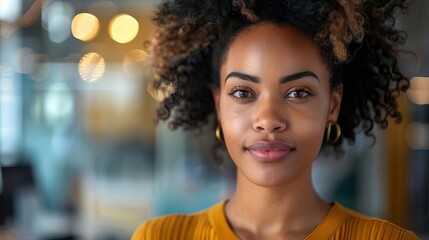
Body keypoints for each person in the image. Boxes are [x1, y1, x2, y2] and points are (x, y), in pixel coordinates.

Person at [132, 0, 419, 239]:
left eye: (298, 93)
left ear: (333, 105)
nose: (268, 120)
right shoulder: (160, 235)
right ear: (219, 105)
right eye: (243, 92)